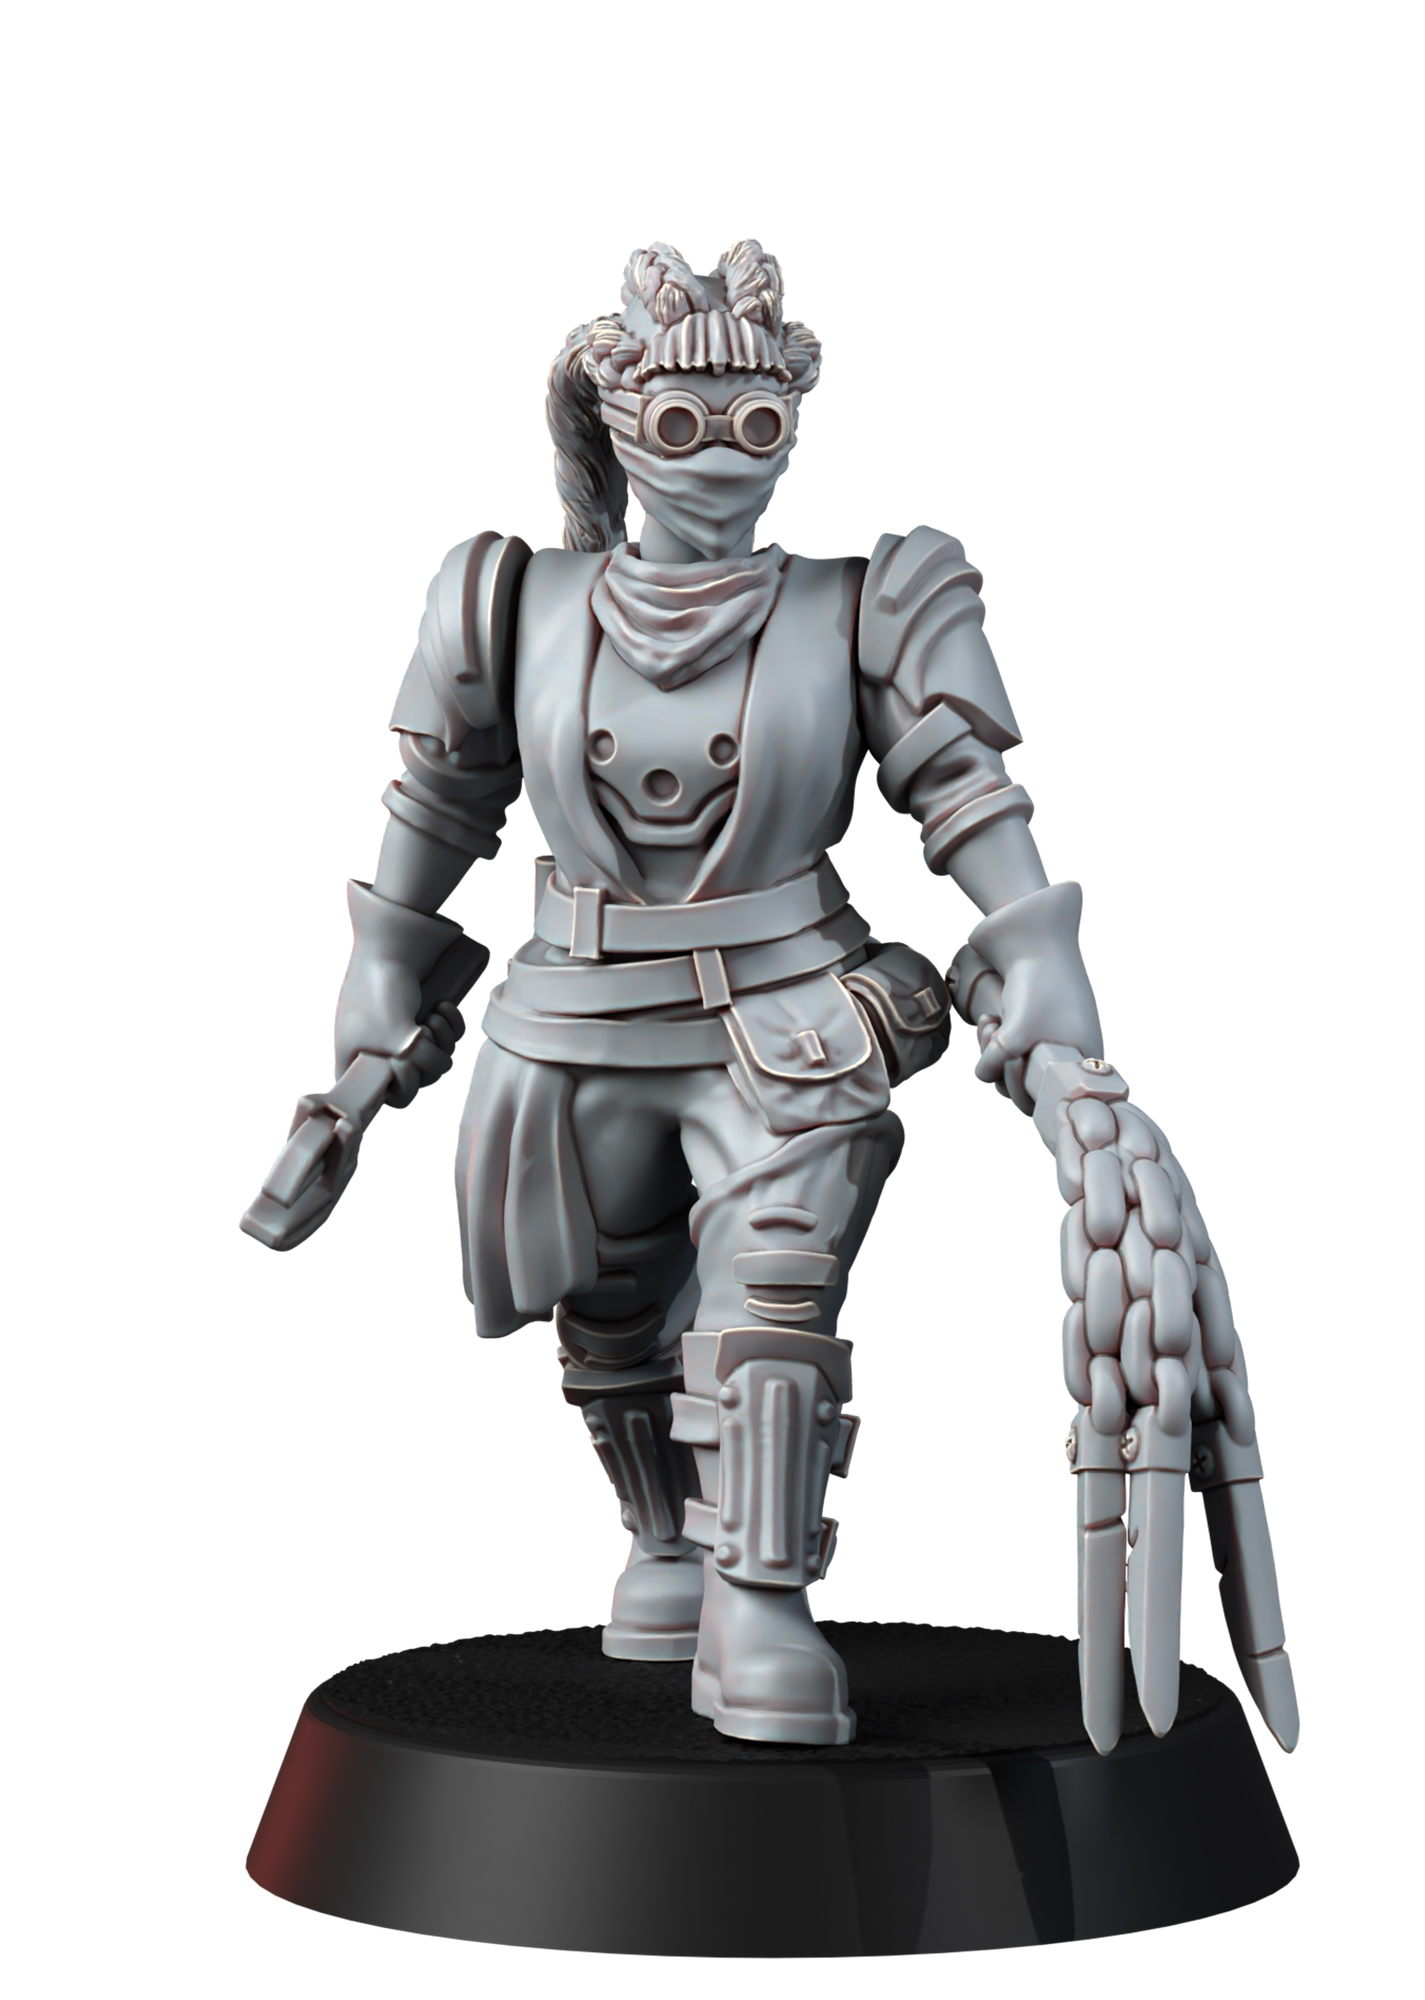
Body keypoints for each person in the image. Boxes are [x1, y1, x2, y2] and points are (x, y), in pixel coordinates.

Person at [306, 240, 1115, 1747]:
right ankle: (666, 1537)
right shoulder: (510, 602)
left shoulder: (867, 604)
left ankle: (760, 1596)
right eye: (682, 424)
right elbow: (441, 793)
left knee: (774, 1297)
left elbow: (962, 788)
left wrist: (1035, 939)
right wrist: (383, 952)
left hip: (785, 1012)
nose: (721, 459)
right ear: (619, 426)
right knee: (611, 1314)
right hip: (575, 1018)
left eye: (757, 423)